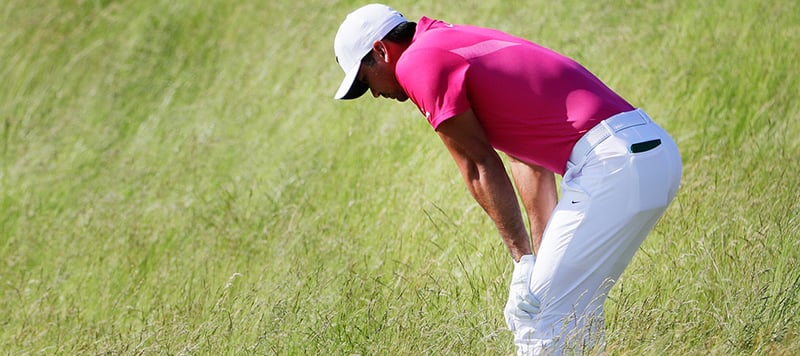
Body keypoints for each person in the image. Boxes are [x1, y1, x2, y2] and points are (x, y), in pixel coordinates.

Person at [332, 4, 682, 355]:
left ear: (381, 50)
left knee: (537, 316)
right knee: (572, 311)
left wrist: (522, 261)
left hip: (612, 165)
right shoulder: (448, 39)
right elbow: (529, 161)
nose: (376, 95)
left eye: (366, 82)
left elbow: (476, 162)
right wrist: (537, 260)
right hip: (651, 155)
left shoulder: (415, 61)